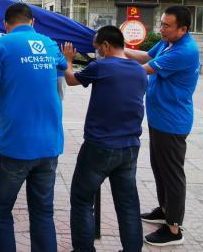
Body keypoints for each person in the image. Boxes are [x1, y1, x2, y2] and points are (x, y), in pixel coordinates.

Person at [0, 3, 67, 252]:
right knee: (43, 212)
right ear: (33, 22)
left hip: (15, 147)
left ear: (5, 24)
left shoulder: (1, 45)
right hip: (50, 146)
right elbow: (64, 68)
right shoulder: (49, 43)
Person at [62, 26, 147, 252]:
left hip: (99, 147)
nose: (96, 52)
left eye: (97, 47)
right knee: (128, 205)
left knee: (82, 200)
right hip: (129, 147)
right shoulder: (140, 71)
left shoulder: (101, 66)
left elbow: (71, 80)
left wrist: (68, 60)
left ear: (106, 45)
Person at [124, 5, 200, 247]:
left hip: (172, 122)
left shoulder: (184, 51)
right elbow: (147, 56)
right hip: (160, 119)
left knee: (172, 174)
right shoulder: (168, 43)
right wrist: (120, 49)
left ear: (183, 29)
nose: (161, 29)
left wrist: (113, 60)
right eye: (161, 24)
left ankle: (174, 229)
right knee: (159, 168)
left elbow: (143, 70)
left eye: (167, 26)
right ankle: (164, 209)